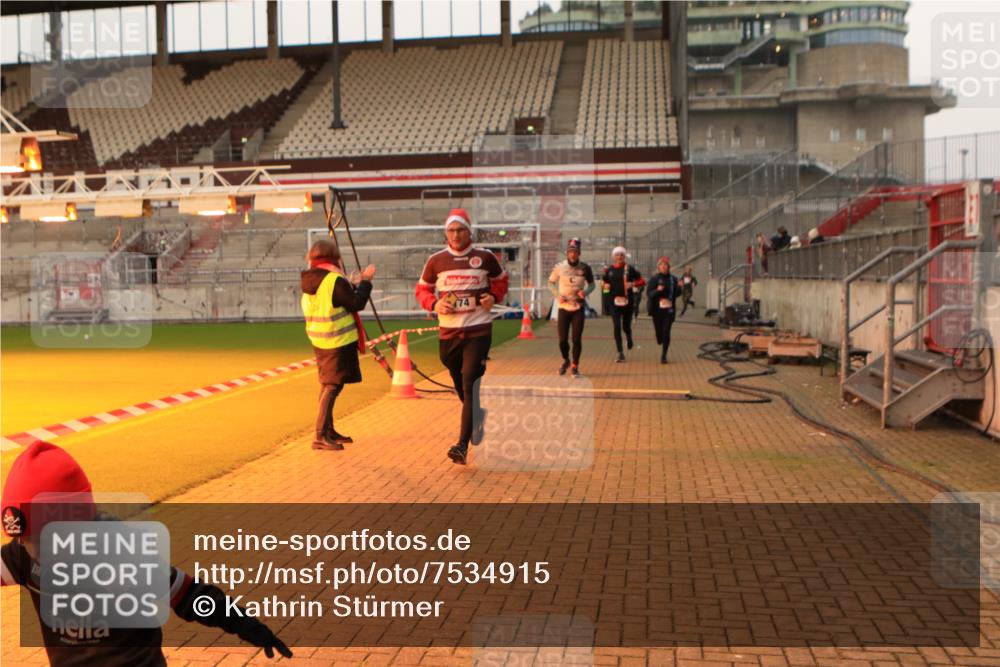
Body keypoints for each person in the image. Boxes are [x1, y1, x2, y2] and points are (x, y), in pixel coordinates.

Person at [0, 441, 292, 667]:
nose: (35, 551)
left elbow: (187, 595)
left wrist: (243, 623)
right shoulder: (25, 556)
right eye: (25, 540)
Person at [416, 208, 508, 466]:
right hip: (449, 332)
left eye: (460, 230)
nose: (456, 235)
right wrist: (434, 305)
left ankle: (461, 446)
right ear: (446, 233)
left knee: (470, 383)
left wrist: (494, 297)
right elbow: (422, 289)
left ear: (469, 231)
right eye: (451, 230)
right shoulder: (436, 260)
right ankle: (476, 417)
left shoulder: (485, 257)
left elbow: (500, 281)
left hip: (478, 330)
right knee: (459, 382)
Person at [301, 238, 374, 451]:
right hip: (338, 340)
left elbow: (336, 300)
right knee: (333, 385)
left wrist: (350, 285)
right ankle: (320, 435)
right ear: (334, 256)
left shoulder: (311, 278)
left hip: (320, 339)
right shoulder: (333, 280)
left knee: (327, 384)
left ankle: (328, 430)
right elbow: (355, 303)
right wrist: (366, 282)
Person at [548, 238, 595, 377]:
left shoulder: (585, 268)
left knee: (576, 338)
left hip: (578, 308)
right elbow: (550, 283)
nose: (572, 255)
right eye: (570, 252)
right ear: (567, 253)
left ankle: (575, 366)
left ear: (579, 253)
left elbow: (592, 285)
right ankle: (566, 360)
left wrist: (584, 292)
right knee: (562, 340)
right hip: (563, 307)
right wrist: (557, 295)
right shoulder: (559, 267)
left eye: (575, 252)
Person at [602, 246, 643, 363]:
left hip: (627, 302)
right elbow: (604, 281)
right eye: (617, 255)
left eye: (621, 255)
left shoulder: (629, 269)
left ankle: (629, 338)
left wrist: (633, 283)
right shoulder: (609, 270)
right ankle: (620, 352)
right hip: (614, 302)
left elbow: (642, 281)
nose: (619, 257)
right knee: (616, 326)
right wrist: (605, 286)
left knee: (626, 326)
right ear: (613, 257)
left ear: (624, 257)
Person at [646, 257, 680, 364]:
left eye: (666, 265)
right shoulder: (654, 279)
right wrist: (657, 290)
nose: (664, 266)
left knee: (666, 332)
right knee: (659, 334)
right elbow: (649, 294)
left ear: (669, 267)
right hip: (657, 311)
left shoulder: (673, 279)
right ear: (659, 267)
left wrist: (680, 288)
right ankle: (658, 337)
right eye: (662, 265)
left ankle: (664, 355)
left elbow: (677, 293)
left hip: (669, 310)